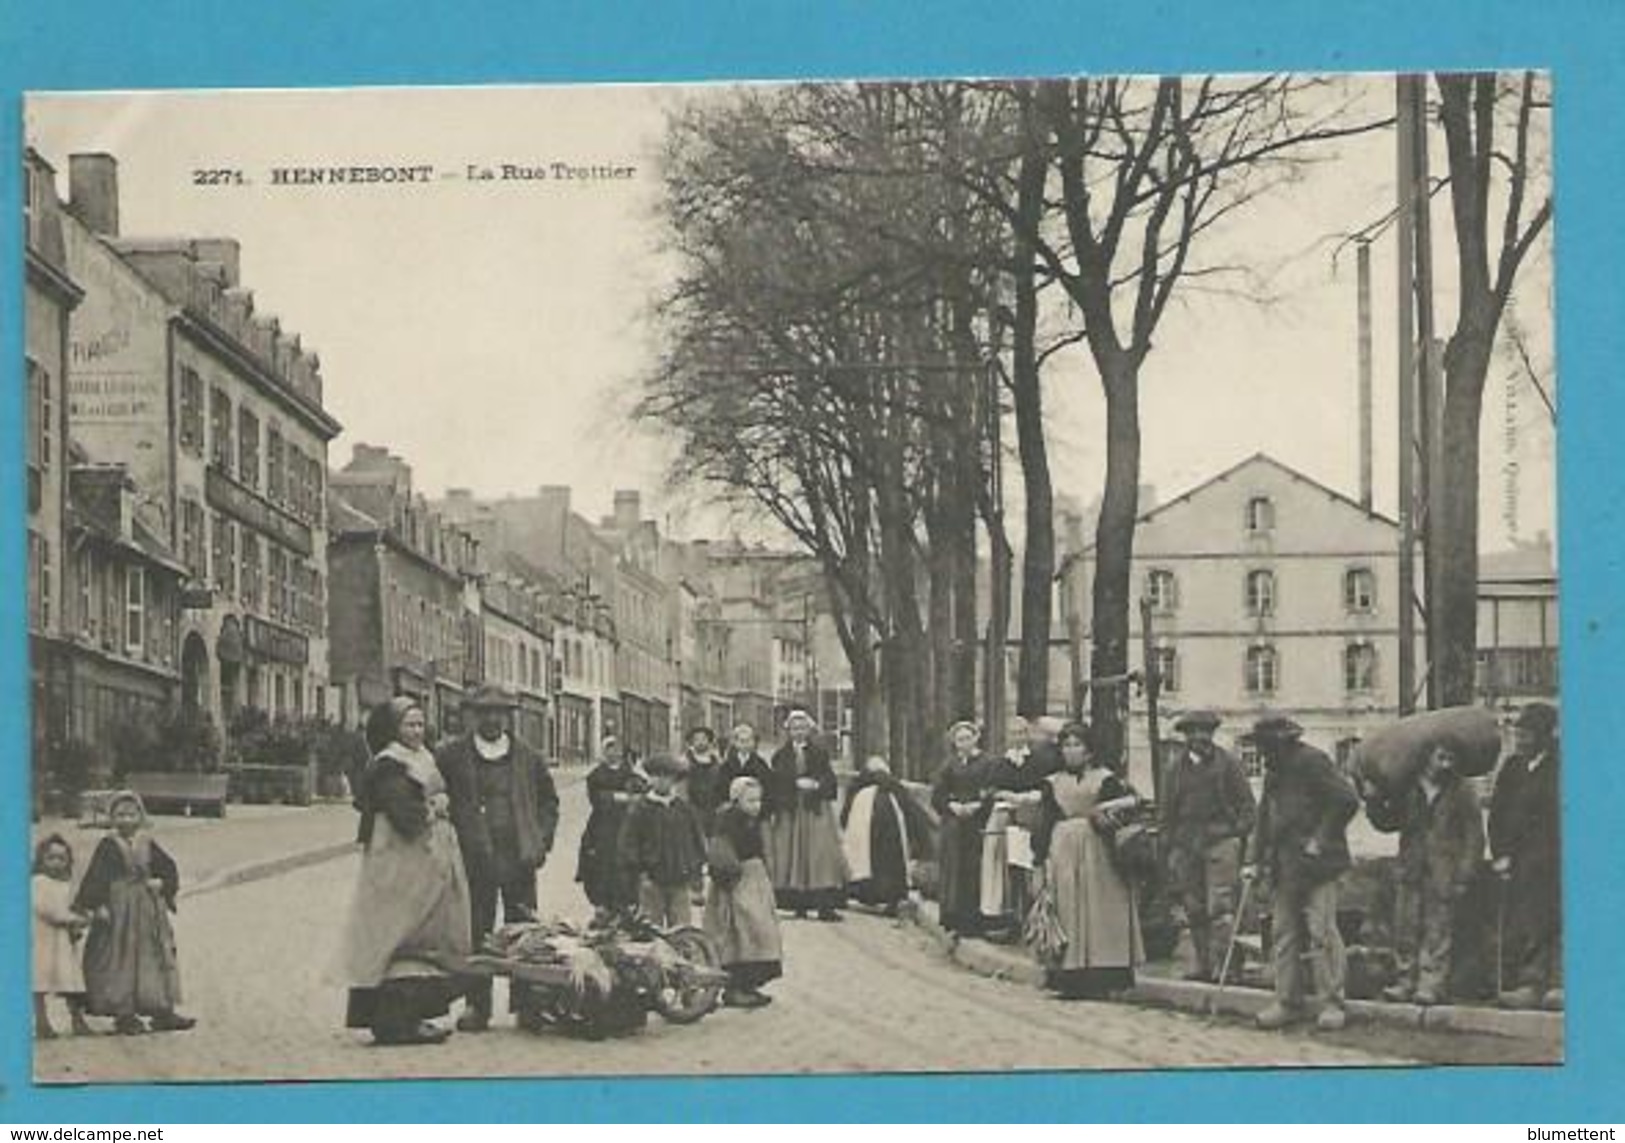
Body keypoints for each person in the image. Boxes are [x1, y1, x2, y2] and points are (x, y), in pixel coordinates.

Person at [337, 698, 472, 1046]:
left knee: (424, 931)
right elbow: (404, 813)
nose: (417, 730)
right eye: (409, 725)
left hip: (423, 860)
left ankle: (411, 1016)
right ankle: (394, 1020)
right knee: (402, 932)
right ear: (394, 730)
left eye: (420, 724)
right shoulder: (389, 765)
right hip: (400, 860)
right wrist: (435, 807)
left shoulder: (422, 757)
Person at [436, 684, 560, 1033]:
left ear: (509, 717)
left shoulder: (528, 757)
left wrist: (541, 840)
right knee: (479, 931)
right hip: (476, 857)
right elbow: (433, 793)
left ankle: (528, 1005)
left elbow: (549, 803)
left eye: (499, 712)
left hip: (519, 856)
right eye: (485, 712)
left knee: (525, 931)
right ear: (473, 716)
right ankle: (478, 1006)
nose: (492, 719)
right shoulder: (453, 756)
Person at [1244, 715, 1360, 1032]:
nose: (1264, 754)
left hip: (1319, 865)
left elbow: (1347, 800)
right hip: (1286, 866)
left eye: (1268, 747)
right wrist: (1254, 859)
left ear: (1284, 742)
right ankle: (1287, 1002)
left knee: (1322, 933)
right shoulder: (1274, 771)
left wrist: (1320, 838)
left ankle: (1333, 1003)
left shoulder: (1313, 762)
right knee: (1284, 934)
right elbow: (1264, 816)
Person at [1031, 721, 1144, 998]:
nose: (1072, 751)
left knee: (1101, 910)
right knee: (1068, 909)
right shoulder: (1053, 782)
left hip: (1098, 849)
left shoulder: (1105, 779)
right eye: (1067, 745)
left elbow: (1132, 804)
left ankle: (1105, 976)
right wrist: (1039, 857)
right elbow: (1044, 822)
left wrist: (1108, 809)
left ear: (1089, 751)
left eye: (1077, 745)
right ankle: (1070, 978)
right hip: (1063, 848)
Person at [74, 791, 194, 1035]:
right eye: (120, 814)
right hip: (119, 911)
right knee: (120, 958)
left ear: (140, 816)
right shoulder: (108, 845)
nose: (126, 820)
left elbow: (167, 866)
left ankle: (161, 1010)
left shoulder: (147, 842)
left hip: (148, 910)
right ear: (112, 818)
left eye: (131, 814)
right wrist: (99, 905)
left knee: (155, 955)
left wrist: (162, 883)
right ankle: (124, 1012)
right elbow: (96, 878)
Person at [1376, 745, 1485, 1006]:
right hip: (1411, 867)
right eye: (1441, 758)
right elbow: (1388, 822)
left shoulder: (1462, 790)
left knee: (1438, 930)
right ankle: (1405, 982)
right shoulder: (1408, 788)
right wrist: (1373, 800)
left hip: (1443, 871)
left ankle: (1430, 985)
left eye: (1451, 759)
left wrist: (1464, 874)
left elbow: (1474, 836)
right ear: (1427, 758)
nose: (1446, 765)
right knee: (1406, 926)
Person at [1161, 710, 1257, 982]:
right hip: (1187, 846)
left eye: (1205, 732)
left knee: (1221, 908)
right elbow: (1167, 813)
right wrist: (1169, 850)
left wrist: (1236, 834)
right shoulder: (1175, 770)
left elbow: (1248, 808)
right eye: (1193, 733)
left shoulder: (1228, 765)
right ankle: (1203, 965)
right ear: (1186, 737)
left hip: (1220, 844)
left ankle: (1227, 968)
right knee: (1194, 908)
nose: (1200, 738)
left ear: (1212, 735)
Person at [1488, 701, 1562, 1010]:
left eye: (1527, 733)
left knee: (1554, 920)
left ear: (1544, 736)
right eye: (1518, 732)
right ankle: (1529, 984)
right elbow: (1497, 815)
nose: (1520, 739)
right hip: (1519, 861)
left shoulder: (1560, 766)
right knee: (1523, 920)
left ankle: (1555, 984)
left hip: (1553, 860)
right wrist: (1500, 854)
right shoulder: (1512, 768)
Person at [705, 777, 784, 1008]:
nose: (756, 805)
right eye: (750, 800)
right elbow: (722, 853)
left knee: (757, 930)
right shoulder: (729, 821)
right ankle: (736, 986)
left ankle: (747, 985)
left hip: (754, 878)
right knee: (744, 930)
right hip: (740, 880)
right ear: (736, 800)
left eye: (758, 800)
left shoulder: (750, 820)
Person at [765, 710, 849, 921]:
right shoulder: (780, 755)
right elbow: (775, 783)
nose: (799, 732)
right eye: (794, 728)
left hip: (815, 809)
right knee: (793, 856)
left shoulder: (820, 753)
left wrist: (817, 785)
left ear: (809, 730)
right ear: (788, 731)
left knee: (819, 856)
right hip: (791, 810)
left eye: (803, 728)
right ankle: (798, 905)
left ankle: (824, 906)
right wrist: (793, 785)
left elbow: (829, 779)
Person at [979, 718, 1054, 938]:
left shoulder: (1040, 760)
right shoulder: (1000, 763)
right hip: (1005, 818)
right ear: (1008, 737)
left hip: (1031, 818)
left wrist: (1032, 796)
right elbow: (990, 788)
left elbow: (1047, 786)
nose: (1018, 737)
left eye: (1022, 732)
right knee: (1005, 868)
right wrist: (1004, 795)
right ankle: (1008, 919)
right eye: (1014, 733)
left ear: (1028, 734)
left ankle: (1031, 920)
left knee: (1028, 868)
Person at [618, 753, 708, 927]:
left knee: (682, 929)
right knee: (652, 929)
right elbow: (628, 845)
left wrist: (696, 876)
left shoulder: (684, 810)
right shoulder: (640, 809)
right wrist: (640, 874)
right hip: (652, 881)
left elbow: (697, 843)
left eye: (667, 777)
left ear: (675, 780)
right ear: (650, 779)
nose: (661, 781)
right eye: (656, 776)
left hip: (680, 880)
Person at [840, 756, 931, 915]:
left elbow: (845, 815)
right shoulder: (894, 789)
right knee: (888, 863)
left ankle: (862, 893)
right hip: (890, 835)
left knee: (863, 860)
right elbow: (913, 813)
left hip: (867, 831)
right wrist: (921, 842)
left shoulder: (858, 789)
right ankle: (891, 898)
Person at [931, 720, 994, 935]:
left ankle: (974, 921)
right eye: (959, 739)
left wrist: (979, 805)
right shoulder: (949, 765)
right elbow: (937, 794)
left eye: (967, 738)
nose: (963, 743)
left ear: (976, 738)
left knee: (974, 869)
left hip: (977, 824)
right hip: (955, 825)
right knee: (954, 869)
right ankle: (953, 917)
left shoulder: (987, 762)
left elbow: (992, 789)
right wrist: (952, 805)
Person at [577, 735, 646, 918]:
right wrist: (620, 797)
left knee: (627, 861)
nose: (613, 753)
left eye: (616, 749)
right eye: (609, 748)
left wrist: (629, 797)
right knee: (601, 862)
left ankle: (627, 903)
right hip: (603, 826)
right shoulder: (596, 775)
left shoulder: (631, 773)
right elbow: (596, 799)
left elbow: (642, 795)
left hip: (627, 823)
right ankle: (603, 903)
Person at [32, 834, 91, 1039]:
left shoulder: (67, 885)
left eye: (62, 858)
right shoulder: (38, 883)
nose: (56, 863)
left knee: (71, 982)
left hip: (63, 943)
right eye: (51, 858)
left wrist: (81, 917)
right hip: (43, 941)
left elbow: (74, 906)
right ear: (41, 860)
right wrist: (74, 920)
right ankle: (42, 1022)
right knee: (39, 982)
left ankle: (78, 1020)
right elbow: (50, 911)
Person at [680, 726, 729, 832]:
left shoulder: (717, 762)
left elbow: (723, 784)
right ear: (691, 742)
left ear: (709, 741)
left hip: (714, 808)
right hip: (693, 808)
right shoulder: (685, 762)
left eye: (703, 739)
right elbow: (681, 787)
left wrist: (722, 803)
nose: (700, 742)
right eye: (696, 739)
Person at [720, 723, 774, 795]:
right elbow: (722, 789)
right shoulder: (727, 766)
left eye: (748, 741)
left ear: (753, 742)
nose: (745, 745)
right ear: (736, 743)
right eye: (742, 741)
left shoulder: (761, 764)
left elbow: (768, 788)